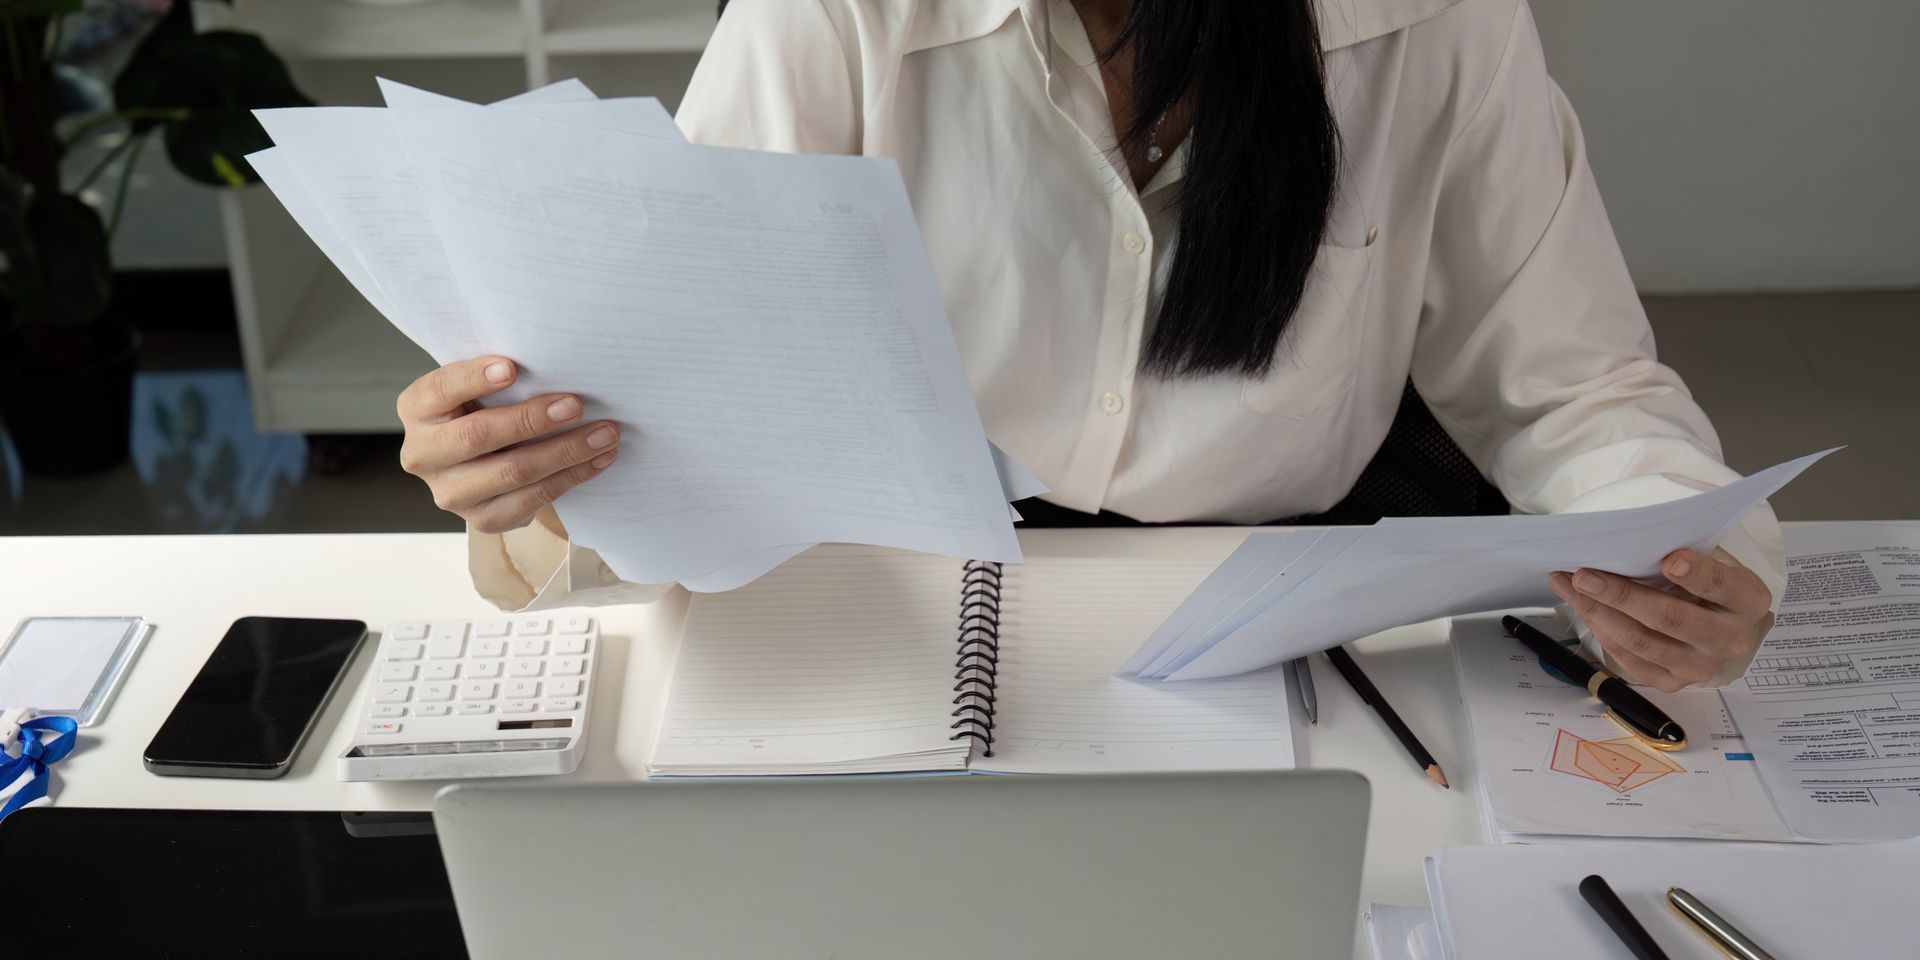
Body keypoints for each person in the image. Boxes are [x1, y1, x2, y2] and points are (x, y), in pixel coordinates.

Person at [394, 0, 1781, 691]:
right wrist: (525, 463)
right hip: (927, 599)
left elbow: (1573, 387)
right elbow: (674, 375)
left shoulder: (1434, 23)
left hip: (1293, 602)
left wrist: (1685, 554)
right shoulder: (830, 15)